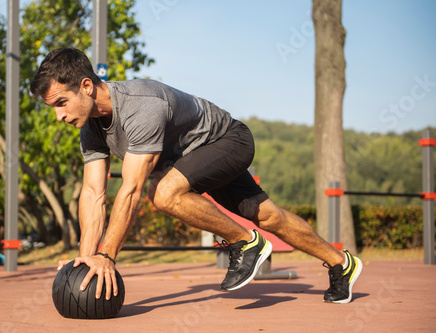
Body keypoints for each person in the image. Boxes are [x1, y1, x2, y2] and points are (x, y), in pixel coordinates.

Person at [30, 47, 362, 304]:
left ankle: (245, 243)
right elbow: (92, 193)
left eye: (61, 102)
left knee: (162, 193)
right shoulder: (89, 128)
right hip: (191, 161)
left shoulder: (139, 106)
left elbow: (130, 192)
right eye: (53, 108)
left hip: (228, 140)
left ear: (86, 86)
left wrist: (106, 257)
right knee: (269, 216)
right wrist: (88, 257)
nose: (59, 116)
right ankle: (341, 264)